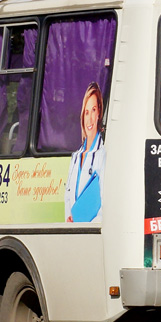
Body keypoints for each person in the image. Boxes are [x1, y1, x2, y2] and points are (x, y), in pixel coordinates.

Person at [65, 82, 105, 223]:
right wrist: (69, 220)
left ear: (99, 112)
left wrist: (88, 225)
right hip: (73, 232)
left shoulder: (103, 154)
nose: (89, 118)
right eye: (86, 112)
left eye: (93, 110)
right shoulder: (75, 157)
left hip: (92, 232)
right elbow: (68, 196)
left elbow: (105, 201)